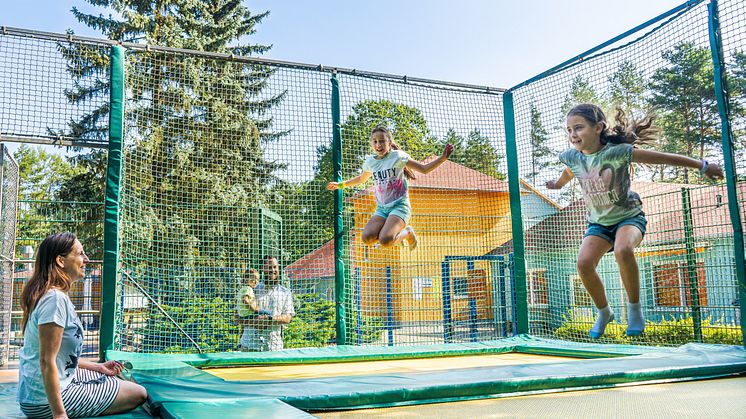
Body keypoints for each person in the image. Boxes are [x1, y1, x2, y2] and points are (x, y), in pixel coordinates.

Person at [546, 103, 724, 338]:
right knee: (583, 264)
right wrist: (558, 185)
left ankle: (634, 310)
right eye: (568, 130)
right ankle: (604, 312)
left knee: (623, 250)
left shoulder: (616, 152)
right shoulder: (571, 157)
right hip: (599, 223)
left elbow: (663, 159)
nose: (573, 135)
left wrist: (702, 165)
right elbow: (571, 170)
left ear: (598, 127)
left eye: (578, 128)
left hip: (629, 217)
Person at [17, 232, 147, 419]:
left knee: (110, 377)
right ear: (60, 261)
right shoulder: (54, 299)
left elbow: (61, 359)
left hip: (41, 393)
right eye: (80, 254)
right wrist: (59, 414)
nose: (86, 259)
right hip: (43, 402)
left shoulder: (55, 296)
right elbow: (46, 361)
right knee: (138, 393)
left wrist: (99, 367)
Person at [327, 125, 454, 250]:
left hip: (399, 206)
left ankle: (407, 233)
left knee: (385, 240)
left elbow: (424, 169)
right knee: (367, 238)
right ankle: (393, 234)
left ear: (389, 141)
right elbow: (361, 179)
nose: (378, 145)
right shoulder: (370, 162)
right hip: (382, 209)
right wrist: (341, 185)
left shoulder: (397, 156)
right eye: (375, 141)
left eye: (382, 141)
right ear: (371, 144)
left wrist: (442, 158)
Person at [236, 256, 295, 351]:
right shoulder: (251, 289)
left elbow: (288, 318)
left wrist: (269, 319)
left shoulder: (285, 292)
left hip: (273, 347)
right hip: (249, 346)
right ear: (263, 269)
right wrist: (254, 322)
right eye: (269, 267)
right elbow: (237, 317)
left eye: (275, 267)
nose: (273, 270)